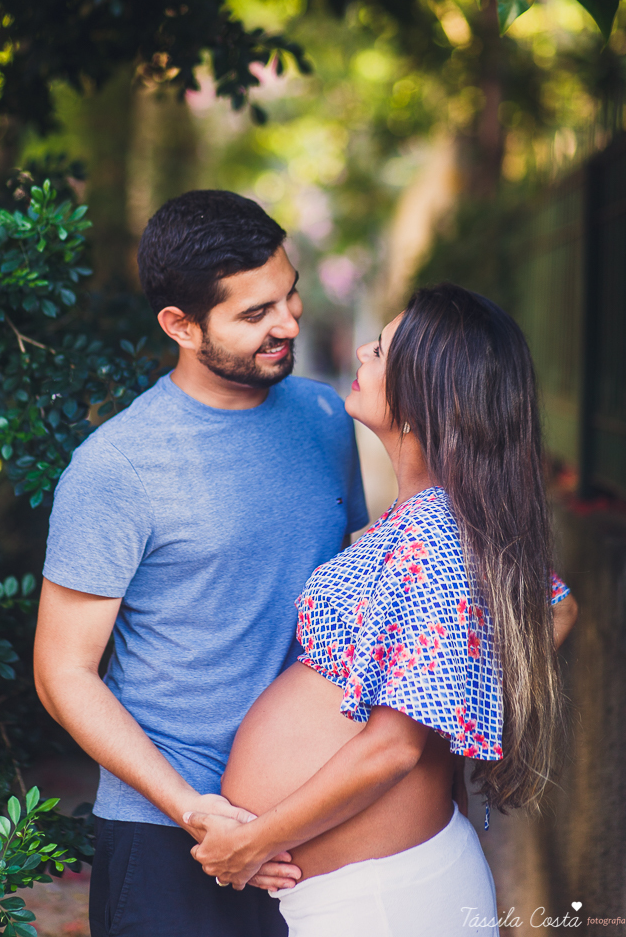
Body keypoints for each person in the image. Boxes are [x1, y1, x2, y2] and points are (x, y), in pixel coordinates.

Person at [185, 283, 579, 937]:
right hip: (376, 894)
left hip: (382, 901)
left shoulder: (434, 539)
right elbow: (552, 608)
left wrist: (250, 844)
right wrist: (460, 703)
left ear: (426, 400)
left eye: (381, 350)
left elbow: (393, 750)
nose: (363, 353)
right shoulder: (439, 520)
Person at [33, 190, 369, 937]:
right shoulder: (116, 468)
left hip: (313, 817)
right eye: (254, 314)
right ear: (180, 326)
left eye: (289, 295)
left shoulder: (324, 421)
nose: (286, 324)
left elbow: (359, 597)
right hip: (168, 835)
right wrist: (195, 809)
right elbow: (63, 673)